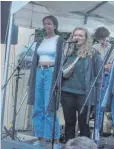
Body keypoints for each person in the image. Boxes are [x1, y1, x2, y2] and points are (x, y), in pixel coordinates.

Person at [27, 15, 64, 149]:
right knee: (38, 106)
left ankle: (55, 139)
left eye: (49, 24)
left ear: (55, 26)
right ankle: (40, 138)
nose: (46, 26)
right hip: (39, 72)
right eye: (45, 24)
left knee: (50, 106)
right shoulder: (39, 41)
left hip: (50, 72)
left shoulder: (59, 40)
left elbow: (61, 60)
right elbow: (35, 59)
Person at [61, 27, 102, 142]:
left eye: (80, 35)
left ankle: (85, 145)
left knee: (84, 124)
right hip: (67, 92)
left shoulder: (93, 54)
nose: (77, 37)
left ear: (86, 38)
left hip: (84, 94)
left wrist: (97, 96)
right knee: (69, 123)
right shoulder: (67, 52)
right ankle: (69, 145)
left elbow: (99, 76)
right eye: (75, 35)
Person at [93, 27, 114, 134]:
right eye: (102, 39)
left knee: (100, 104)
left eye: (106, 39)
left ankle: (98, 129)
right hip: (96, 79)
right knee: (96, 104)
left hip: (107, 78)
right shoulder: (94, 48)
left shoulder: (113, 49)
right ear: (98, 39)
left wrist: (110, 66)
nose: (104, 42)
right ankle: (97, 129)